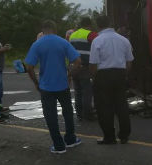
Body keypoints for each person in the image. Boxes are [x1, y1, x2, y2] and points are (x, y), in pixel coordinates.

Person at [25, 20, 82, 154]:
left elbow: (29, 67)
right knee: (67, 112)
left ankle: (59, 146)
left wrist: (36, 83)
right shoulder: (63, 42)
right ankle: (70, 139)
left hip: (46, 87)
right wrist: (69, 75)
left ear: (42, 30)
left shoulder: (37, 44)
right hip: (63, 85)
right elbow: (78, 62)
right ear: (55, 29)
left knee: (50, 115)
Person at [89, 15, 134, 144]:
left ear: (98, 25)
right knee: (122, 106)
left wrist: (94, 77)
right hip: (120, 74)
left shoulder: (97, 41)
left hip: (103, 75)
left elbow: (93, 64)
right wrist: (124, 74)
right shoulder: (124, 40)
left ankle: (109, 136)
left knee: (104, 107)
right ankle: (124, 135)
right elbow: (129, 62)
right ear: (111, 23)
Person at [69, 17, 98, 121]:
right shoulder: (91, 35)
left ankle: (79, 113)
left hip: (74, 66)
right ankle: (88, 114)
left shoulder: (72, 35)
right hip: (86, 67)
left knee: (78, 91)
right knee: (87, 91)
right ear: (89, 25)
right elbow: (99, 46)